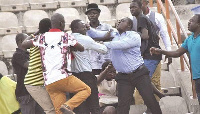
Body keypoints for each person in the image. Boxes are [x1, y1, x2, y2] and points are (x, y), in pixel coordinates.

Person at [87, 17, 162, 114]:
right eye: (119, 20)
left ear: (129, 25)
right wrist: (89, 29)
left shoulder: (134, 35)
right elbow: (97, 34)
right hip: (123, 77)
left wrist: (104, 43)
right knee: (123, 106)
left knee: (150, 100)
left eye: (122, 21)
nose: (119, 22)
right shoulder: (114, 33)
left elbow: (122, 44)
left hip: (139, 73)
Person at [22, 13, 91, 114]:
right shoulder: (65, 36)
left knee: (59, 112)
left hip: (49, 82)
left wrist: (35, 34)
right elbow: (81, 48)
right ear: (61, 23)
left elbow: (24, 44)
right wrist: (69, 47)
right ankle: (68, 106)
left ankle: (64, 109)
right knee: (86, 90)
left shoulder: (42, 38)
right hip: (63, 77)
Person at [150, 14, 200, 104]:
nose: (188, 22)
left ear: (199, 24)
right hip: (196, 78)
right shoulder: (189, 39)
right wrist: (161, 51)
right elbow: (177, 53)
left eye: (192, 21)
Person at [70, 19, 108, 114]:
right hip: (86, 75)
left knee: (79, 106)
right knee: (94, 104)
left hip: (73, 76)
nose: (85, 28)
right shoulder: (85, 39)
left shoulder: (67, 38)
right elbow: (104, 50)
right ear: (76, 28)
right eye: (83, 26)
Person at [22, 18, 56, 114]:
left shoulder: (37, 39)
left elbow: (24, 43)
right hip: (34, 83)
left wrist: (37, 32)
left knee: (53, 108)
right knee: (50, 110)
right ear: (50, 28)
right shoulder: (45, 39)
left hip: (37, 82)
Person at [12, 33, 44, 114]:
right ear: (20, 41)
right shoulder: (17, 55)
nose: (30, 41)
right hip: (25, 93)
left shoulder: (28, 54)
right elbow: (30, 66)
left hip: (34, 91)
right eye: (28, 39)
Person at [85, 3, 112, 75]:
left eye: (94, 13)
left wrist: (93, 40)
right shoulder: (84, 29)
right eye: (89, 13)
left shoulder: (107, 27)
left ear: (99, 14)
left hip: (105, 61)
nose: (92, 15)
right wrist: (104, 38)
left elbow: (112, 37)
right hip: (92, 63)